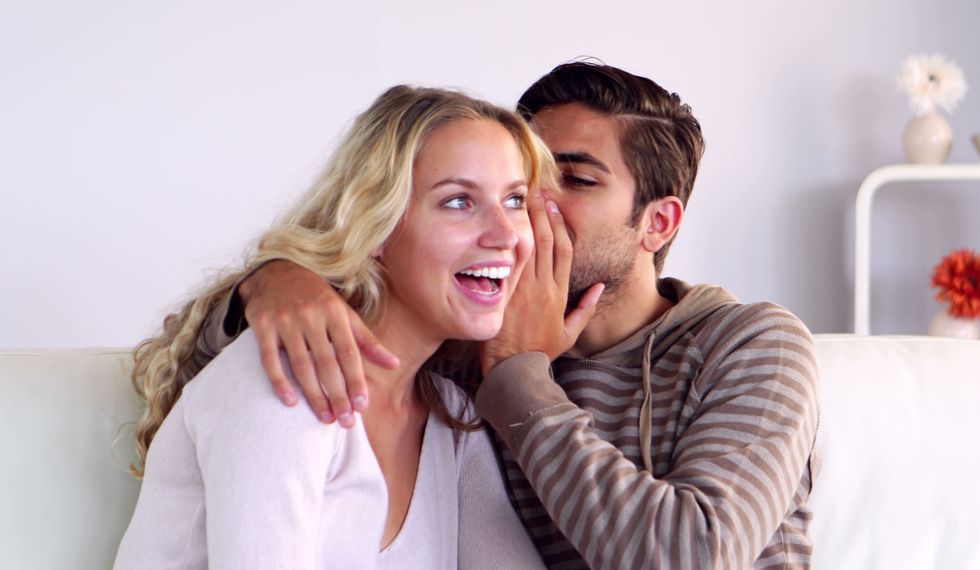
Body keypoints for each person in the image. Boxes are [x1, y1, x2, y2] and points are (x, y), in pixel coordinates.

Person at [202, 62, 821, 569]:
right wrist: (273, 283)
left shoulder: (750, 344)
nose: (530, 214)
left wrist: (518, 377)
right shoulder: (463, 340)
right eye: (526, 187)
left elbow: (694, 557)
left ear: (656, 223)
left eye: (574, 180)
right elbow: (216, 371)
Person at [114, 86, 555, 569]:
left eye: (514, 201)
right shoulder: (284, 384)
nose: (507, 235)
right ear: (376, 227)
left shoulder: (449, 416)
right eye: (457, 202)